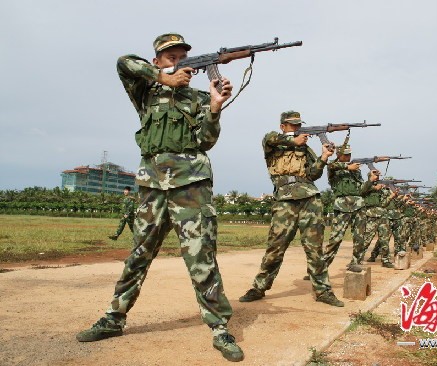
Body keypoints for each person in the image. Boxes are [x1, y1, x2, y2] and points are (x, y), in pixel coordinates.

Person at [76, 33, 244, 362]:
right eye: (170, 57)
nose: (178, 61)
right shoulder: (146, 92)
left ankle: (219, 328)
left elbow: (206, 142)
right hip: (151, 186)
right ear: (157, 61)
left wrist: (214, 106)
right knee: (138, 256)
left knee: (201, 259)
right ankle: (114, 319)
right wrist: (162, 77)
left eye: (182, 56)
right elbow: (123, 62)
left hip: (190, 186)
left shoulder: (196, 98)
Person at [239, 111, 344, 307]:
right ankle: (259, 287)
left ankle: (322, 291)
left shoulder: (305, 148)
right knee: (275, 247)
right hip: (285, 200)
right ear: (283, 126)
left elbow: (313, 174)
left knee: (314, 249)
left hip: (309, 198)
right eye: (292, 124)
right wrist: (293, 141)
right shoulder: (272, 141)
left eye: (298, 124)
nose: (296, 127)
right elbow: (270, 138)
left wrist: (323, 157)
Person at [323, 144, 367, 273]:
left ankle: (356, 262)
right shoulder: (333, 167)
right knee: (335, 238)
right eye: (346, 154)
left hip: (358, 204)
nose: (348, 156)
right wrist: (348, 167)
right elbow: (330, 165)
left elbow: (361, 189)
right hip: (342, 205)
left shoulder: (356, 170)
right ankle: (320, 268)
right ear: (338, 154)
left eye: (349, 154)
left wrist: (370, 181)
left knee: (359, 237)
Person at [362, 170, 398, 268]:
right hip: (371, 215)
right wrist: (371, 181)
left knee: (384, 240)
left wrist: (391, 196)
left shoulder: (380, 188)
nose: (377, 177)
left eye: (378, 175)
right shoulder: (366, 185)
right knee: (366, 239)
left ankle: (385, 260)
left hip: (382, 216)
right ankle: (357, 260)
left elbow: (383, 204)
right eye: (375, 175)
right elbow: (363, 190)